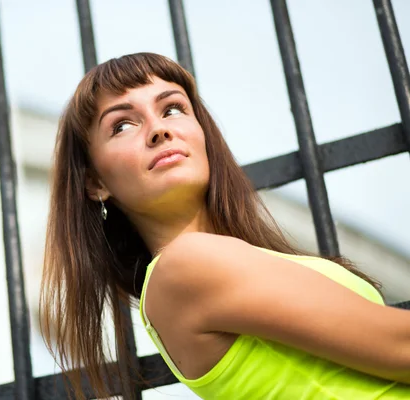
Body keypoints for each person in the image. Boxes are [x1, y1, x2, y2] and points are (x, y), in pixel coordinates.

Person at [39, 52, 410, 399]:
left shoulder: (200, 267)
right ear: (95, 182)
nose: (158, 130)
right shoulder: (185, 265)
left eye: (172, 109)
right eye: (121, 125)